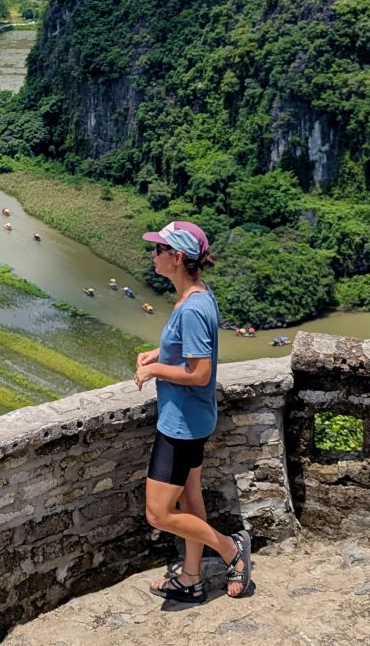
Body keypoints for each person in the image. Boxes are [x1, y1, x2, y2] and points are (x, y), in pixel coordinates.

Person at [134, 220, 252, 604]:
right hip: (192, 418)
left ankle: (231, 549)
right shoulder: (195, 296)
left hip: (182, 425)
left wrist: (152, 370)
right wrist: (160, 353)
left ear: (178, 257)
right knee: (190, 499)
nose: (153, 255)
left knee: (158, 513)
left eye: (159, 250)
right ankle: (190, 578)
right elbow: (187, 353)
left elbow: (199, 373)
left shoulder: (192, 308)